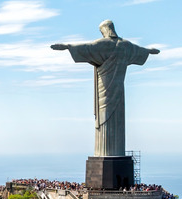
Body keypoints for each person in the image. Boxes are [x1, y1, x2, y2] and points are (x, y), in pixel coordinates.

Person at [52, 21, 159, 157]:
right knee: (113, 119)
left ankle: (106, 152)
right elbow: (139, 50)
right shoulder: (126, 46)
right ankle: (113, 152)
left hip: (105, 92)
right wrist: (149, 51)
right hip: (119, 92)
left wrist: (67, 46)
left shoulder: (103, 44)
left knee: (105, 117)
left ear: (105, 30)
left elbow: (87, 48)